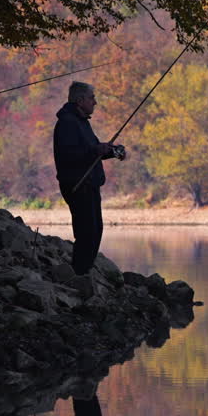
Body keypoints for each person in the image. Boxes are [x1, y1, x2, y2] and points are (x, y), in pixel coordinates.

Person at [54, 81, 125, 276]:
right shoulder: (67, 123)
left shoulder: (81, 121)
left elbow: (92, 152)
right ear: (80, 100)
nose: (95, 102)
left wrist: (112, 151)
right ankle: (79, 274)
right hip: (78, 185)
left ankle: (83, 271)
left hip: (89, 185)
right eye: (92, 98)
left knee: (95, 230)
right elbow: (69, 156)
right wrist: (95, 150)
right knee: (87, 232)